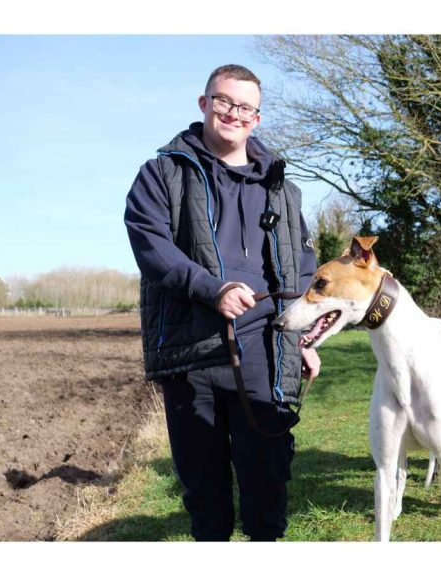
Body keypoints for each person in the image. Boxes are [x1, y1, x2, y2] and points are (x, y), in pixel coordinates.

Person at [125, 64, 319, 540]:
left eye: (245, 107)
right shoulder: (161, 174)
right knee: (205, 497)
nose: (233, 113)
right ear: (204, 103)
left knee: (268, 486)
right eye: (224, 101)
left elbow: (305, 264)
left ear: (257, 118)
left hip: (266, 354)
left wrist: (305, 335)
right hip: (192, 354)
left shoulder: (283, 188)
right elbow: (152, 247)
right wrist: (212, 289)